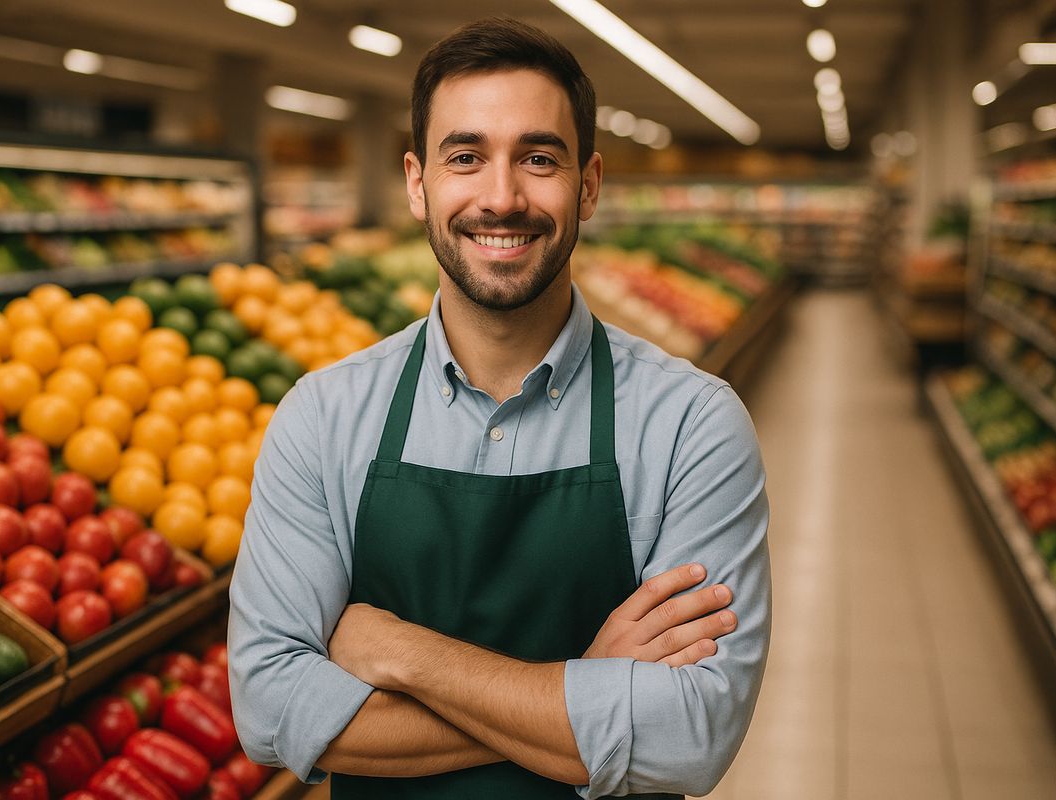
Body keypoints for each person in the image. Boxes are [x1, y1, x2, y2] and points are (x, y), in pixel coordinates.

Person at [229, 16, 770, 799]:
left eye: (539, 158)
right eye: (466, 157)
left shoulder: (692, 424)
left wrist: (408, 657)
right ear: (419, 183)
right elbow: (271, 710)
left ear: (588, 184)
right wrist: (586, 684)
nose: (502, 197)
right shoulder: (322, 417)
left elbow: (691, 735)